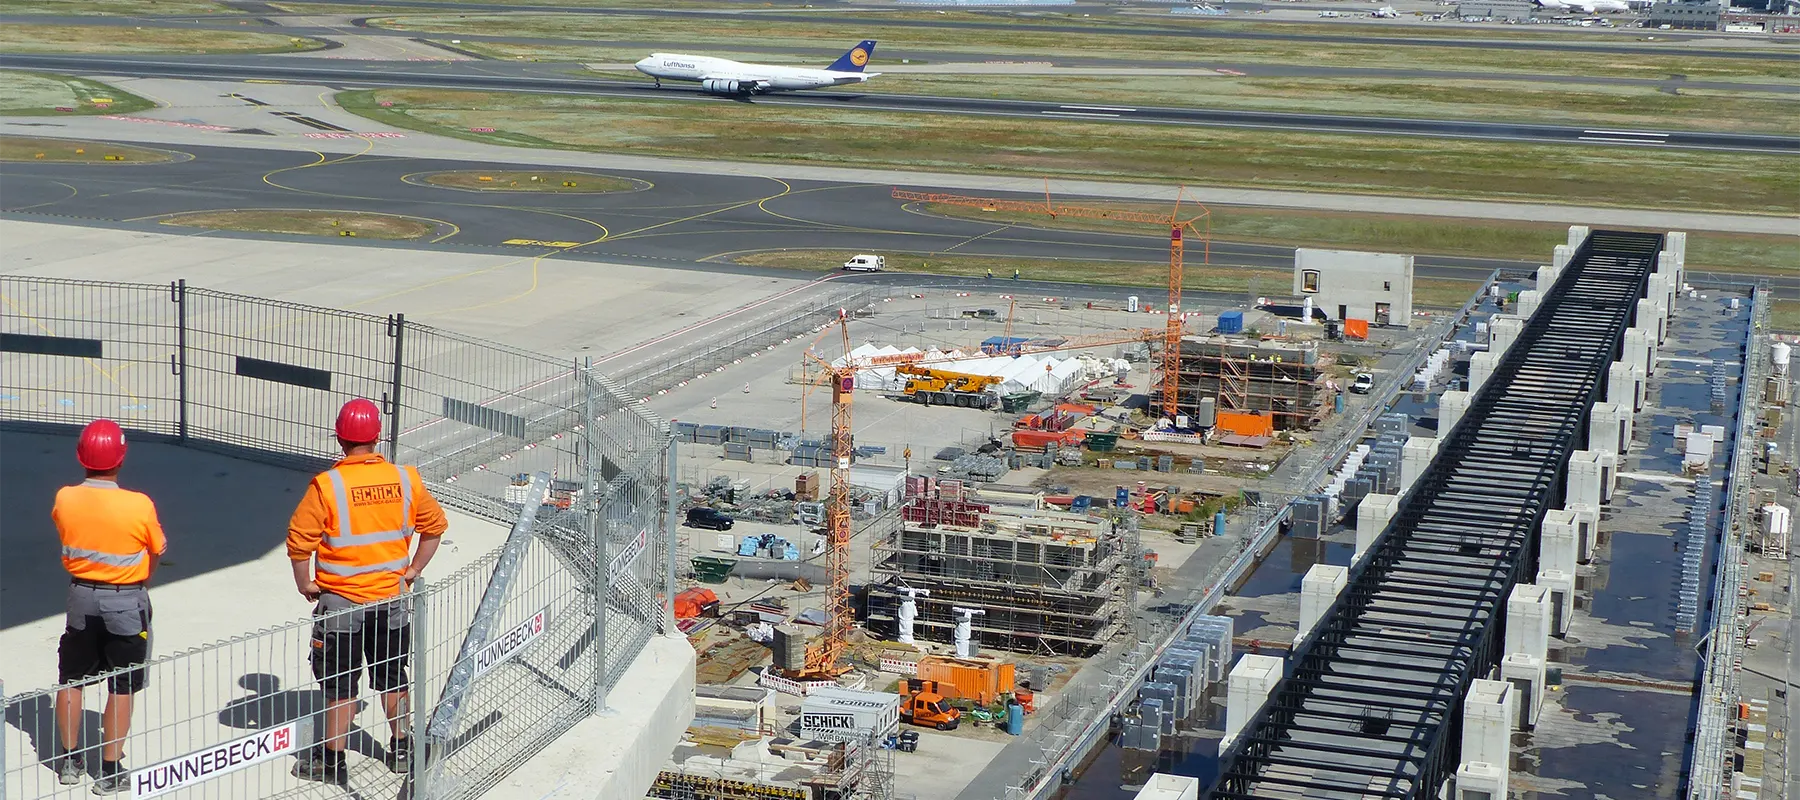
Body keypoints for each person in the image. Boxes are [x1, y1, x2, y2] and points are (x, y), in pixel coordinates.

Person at [286, 398, 447, 784]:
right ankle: (404, 748)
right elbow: (435, 527)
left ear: (340, 439)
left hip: (341, 604)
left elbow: (298, 541)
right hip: (391, 599)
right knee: (392, 674)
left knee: (340, 682)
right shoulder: (406, 479)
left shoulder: (327, 486)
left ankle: (332, 761)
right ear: (377, 438)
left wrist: (304, 582)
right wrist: (412, 572)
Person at [53, 419, 166, 795]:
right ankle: (110, 769)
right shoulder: (139, 504)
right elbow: (157, 548)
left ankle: (69, 761)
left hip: (81, 598)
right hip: (126, 601)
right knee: (122, 685)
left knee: (72, 680)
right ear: (121, 458)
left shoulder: (65, 497)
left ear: (80, 457)